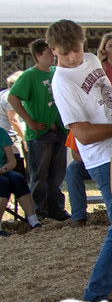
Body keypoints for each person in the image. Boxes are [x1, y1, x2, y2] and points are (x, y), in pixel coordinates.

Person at [48, 19, 112, 302]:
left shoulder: (89, 60)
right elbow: (83, 134)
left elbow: (106, 97)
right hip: (102, 158)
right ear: (53, 49)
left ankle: (95, 297)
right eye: (65, 52)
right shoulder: (61, 83)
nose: (73, 56)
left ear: (84, 43)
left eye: (76, 49)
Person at [9, 38, 71, 221]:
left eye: (52, 52)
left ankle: (57, 210)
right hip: (39, 133)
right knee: (40, 174)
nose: (52, 55)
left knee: (58, 174)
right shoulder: (29, 76)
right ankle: (40, 213)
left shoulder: (56, 72)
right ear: (37, 55)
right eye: (48, 53)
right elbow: (13, 98)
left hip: (59, 129)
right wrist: (30, 122)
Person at [1, 126, 41, 234]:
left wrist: (4, 169)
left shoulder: (2, 132)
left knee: (18, 179)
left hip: (3, 170)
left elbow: (12, 161)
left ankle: (34, 222)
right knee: (3, 183)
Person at [63, 131, 90, 227]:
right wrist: (92, 162)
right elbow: (75, 154)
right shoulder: (76, 126)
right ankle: (78, 216)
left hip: (111, 161)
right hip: (88, 163)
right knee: (72, 170)